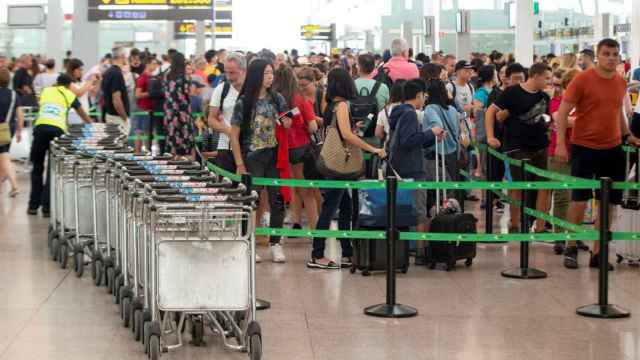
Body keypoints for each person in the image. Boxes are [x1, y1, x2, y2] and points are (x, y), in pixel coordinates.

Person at [556, 38, 640, 269]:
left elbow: (619, 113)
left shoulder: (621, 82)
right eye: (606, 54)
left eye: (615, 54)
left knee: (608, 203)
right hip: (584, 147)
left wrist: (627, 135)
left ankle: (598, 252)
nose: (611, 58)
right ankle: (571, 246)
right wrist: (561, 145)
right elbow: (561, 113)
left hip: (612, 149)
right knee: (579, 200)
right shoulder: (582, 80)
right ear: (597, 56)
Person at [307, 68, 386, 270]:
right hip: (339, 164)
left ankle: (347, 252)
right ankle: (317, 255)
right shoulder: (341, 105)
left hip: (334, 162)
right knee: (330, 209)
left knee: (345, 206)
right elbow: (347, 136)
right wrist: (372, 149)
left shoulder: (330, 105)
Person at [229, 58, 292, 263]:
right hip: (252, 157)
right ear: (256, 75)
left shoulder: (278, 99)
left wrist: (286, 122)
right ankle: (248, 243)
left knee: (277, 201)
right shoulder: (244, 102)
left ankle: (275, 243)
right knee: (251, 202)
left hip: (274, 156)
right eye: (266, 73)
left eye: (271, 73)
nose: (270, 77)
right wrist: (239, 163)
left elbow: (287, 123)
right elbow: (234, 135)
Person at [486, 63, 553, 234]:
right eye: (546, 78)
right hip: (517, 146)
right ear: (536, 76)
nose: (549, 82)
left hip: (540, 145)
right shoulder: (512, 92)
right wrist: (490, 136)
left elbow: (547, 118)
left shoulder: (545, 97)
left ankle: (540, 226)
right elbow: (491, 111)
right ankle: (514, 224)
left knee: (543, 186)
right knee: (518, 186)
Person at [388, 79, 444, 262]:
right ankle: (421, 252)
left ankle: (404, 250)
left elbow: (410, 140)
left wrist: (430, 138)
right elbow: (408, 141)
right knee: (419, 211)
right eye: (423, 96)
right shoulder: (410, 114)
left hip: (399, 167)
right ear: (419, 95)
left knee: (402, 210)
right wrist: (431, 132)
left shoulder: (398, 112)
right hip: (412, 169)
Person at [28, 74, 92, 216]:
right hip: (57, 131)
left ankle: (33, 205)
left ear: (57, 83)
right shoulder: (69, 94)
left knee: (37, 167)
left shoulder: (47, 91)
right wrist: (92, 125)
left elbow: (41, 104)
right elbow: (82, 113)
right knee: (53, 169)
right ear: (69, 85)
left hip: (40, 128)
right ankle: (46, 208)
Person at [547, 69, 581, 255]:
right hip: (558, 153)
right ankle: (560, 235)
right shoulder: (556, 101)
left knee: (578, 198)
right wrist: (583, 120)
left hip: (580, 153)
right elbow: (561, 119)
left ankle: (574, 236)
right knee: (561, 195)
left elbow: (569, 120)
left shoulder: (584, 103)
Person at [209, 52, 246, 173]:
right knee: (226, 188)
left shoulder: (253, 90)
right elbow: (211, 119)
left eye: (233, 72)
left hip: (248, 148)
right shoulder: (221, 89)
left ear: (243, 70)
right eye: (226, 72)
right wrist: (229, 131)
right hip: (226, 147)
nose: (229, 77)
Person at [163, 52, 194, 158]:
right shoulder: (184, 76)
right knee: (183, 134)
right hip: (182, 110)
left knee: (172, 134)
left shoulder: (167, 75)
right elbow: (188, 92)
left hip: (170, 109)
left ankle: (172, 159)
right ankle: (182, 160)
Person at [0, 68, 23, 197]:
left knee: (4, 158)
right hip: (8, 129)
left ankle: (14, 185)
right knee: (4, 156)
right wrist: (19, 130)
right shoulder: (14, 94)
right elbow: (20, 113)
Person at [473, 65, 497, 183]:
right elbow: (477, 111)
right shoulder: (481, 93)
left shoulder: (494, 91)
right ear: (492, 76)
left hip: (494, 133)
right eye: (496, 73)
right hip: (484, 135)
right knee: (485, 167)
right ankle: (485, 199)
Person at [102, 47, 131, 135]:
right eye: (126, 57)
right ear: (122, 56)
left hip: (110, 115)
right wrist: (125, 118)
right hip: (117, 118)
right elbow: (116, 100)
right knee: (119, 146)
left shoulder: (108, 72)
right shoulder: (116, 73)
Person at [134, 57, 159, 152]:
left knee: (148, 133)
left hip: (150, 109)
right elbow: (137, 94)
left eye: (156, 64)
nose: (155, 66)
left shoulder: (152, 77)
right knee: (140, 132)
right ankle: (138, 154)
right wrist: (150, 93)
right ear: (148, 64)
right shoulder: (142, 78)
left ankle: (147, 153)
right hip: (142, 109)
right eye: (154, 63)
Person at [66, 59, 100, 125]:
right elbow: (79, 93)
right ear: (73, 70)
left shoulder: (82, 82)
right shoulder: (68, 83)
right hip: (74, 115)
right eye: (79, 69)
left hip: (84, 114)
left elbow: (93, 93)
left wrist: (99, 81)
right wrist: (90, 81)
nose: (81, 72)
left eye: (82, 70)